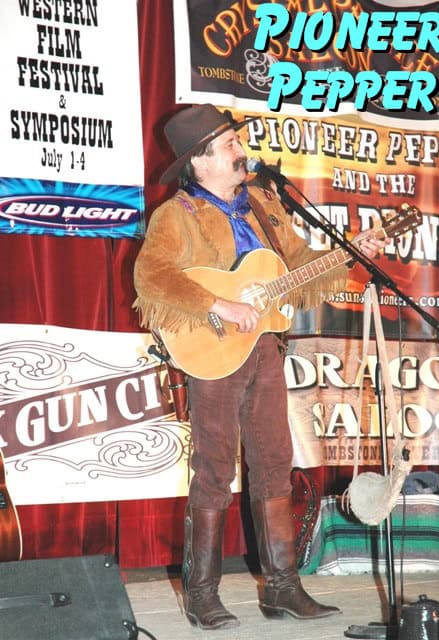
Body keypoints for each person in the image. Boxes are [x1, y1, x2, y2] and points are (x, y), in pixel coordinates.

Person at [133, 103, 386, 631]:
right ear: (200, 161)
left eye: (235, 141)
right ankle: (201, 594)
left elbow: (300, 268)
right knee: (215, 468)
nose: (240, 150)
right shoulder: (177, 215)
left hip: (265, 349)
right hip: (213, 351)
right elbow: (152, 277)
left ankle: (283, 588)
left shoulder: (265, 205)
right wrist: (217, 304)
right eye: (228, 144)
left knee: (275, 460)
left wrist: (352, 253)